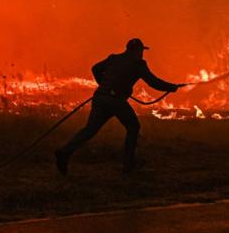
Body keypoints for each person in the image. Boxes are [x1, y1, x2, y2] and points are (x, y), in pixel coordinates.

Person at [55, 38, 181, 174]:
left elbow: (95, 68)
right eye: (141, 51)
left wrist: (103, 84)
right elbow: (153, 82)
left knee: (89, 130)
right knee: (133, 126)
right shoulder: (138, 64)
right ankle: (129, 165)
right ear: (137, 51)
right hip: (116, 101)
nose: (142, 54)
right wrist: (172, 87)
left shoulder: (113, 58)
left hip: (100, 98)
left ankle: (65, 152)